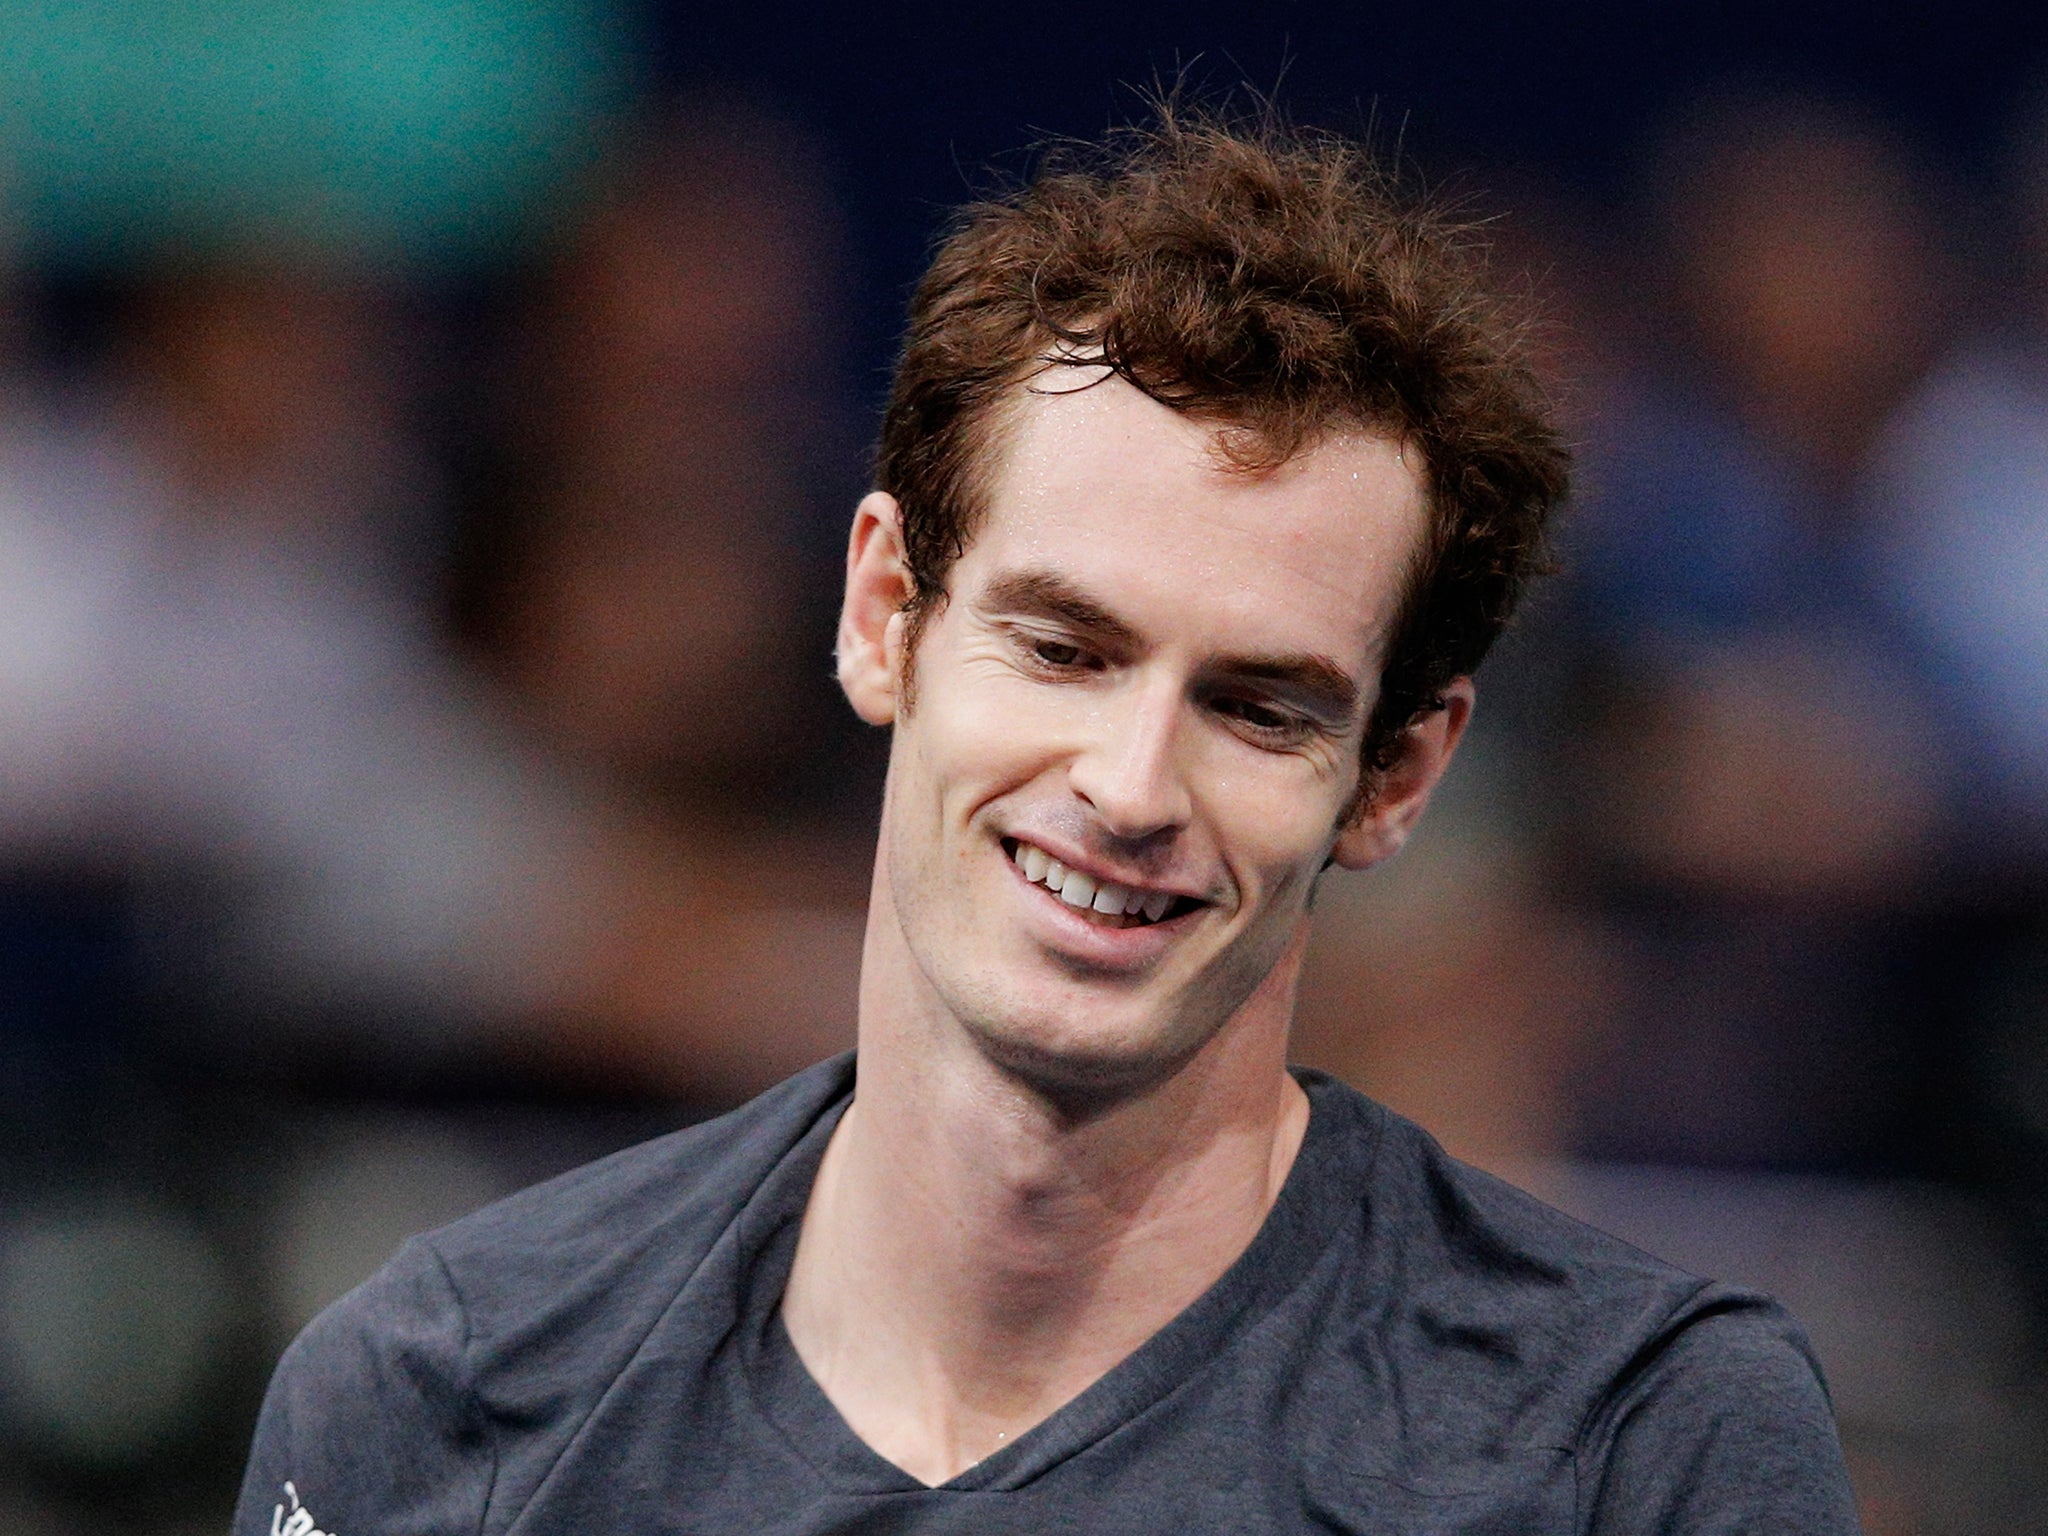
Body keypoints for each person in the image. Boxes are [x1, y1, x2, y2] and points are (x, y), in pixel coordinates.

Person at [231, 112, 1861, 1534]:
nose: (1131, 787)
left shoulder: (1641, 1447)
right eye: (1064, 649)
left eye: (1261, 708)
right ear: (885, 614)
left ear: (1398, 777)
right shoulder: (439, 1397)